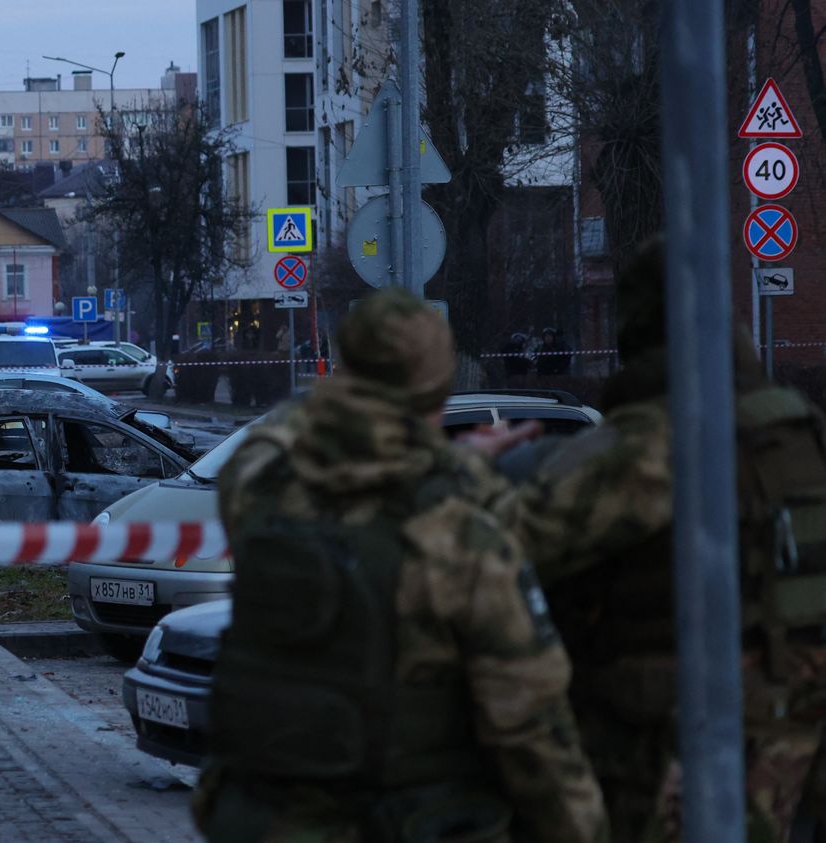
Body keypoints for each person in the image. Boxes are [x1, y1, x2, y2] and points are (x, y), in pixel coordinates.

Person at [197, 289, 608, 843]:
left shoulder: (261, 493)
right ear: (436, 391)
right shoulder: (459, 537)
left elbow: (277, 440)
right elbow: (531, 729)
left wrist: (426, 449)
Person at [490, 238, 826, 841]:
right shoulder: (803, 434)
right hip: (796, 740)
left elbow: (495, 558)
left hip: (680, 751)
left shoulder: (647, 444)